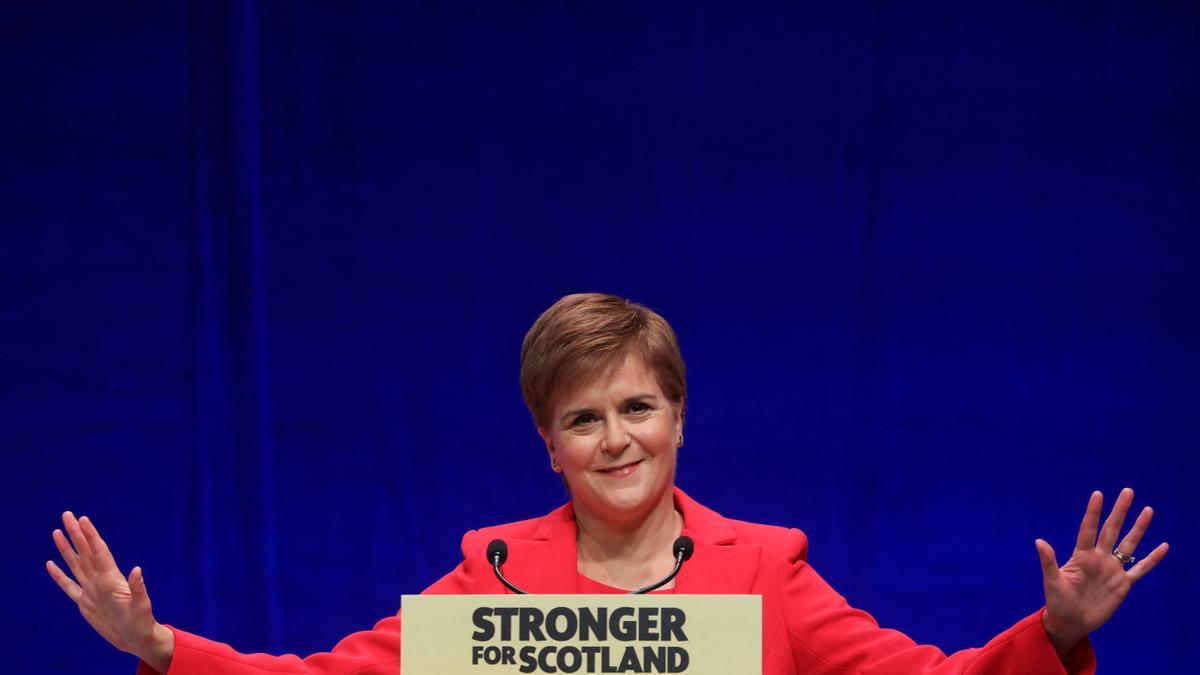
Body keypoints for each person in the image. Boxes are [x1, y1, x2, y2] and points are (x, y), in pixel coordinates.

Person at [47, 293, 1168, 674]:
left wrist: (1053, 635)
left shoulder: (763, 574)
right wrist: (160, 650)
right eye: (584, 418)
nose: (616, 439)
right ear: (549, 446)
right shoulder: (497, 583)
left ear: (680, 420)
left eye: (637, 408)